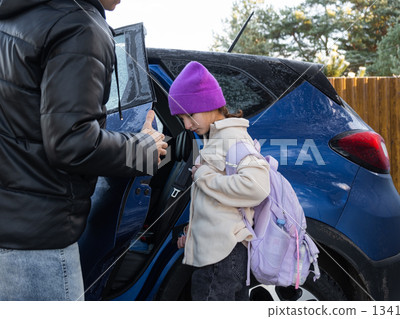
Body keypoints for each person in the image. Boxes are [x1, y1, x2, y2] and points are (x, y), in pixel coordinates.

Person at [0, 0, 167, 301]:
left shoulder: (14, 20)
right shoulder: (79, 25)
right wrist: (144, 148)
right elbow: (71, 144)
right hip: (39, 249)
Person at [170, 61, 270, 300]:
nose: (186, 125)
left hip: (223, 258)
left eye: (189, 115)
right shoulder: (216, 139)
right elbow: (217, 207)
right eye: (182, 118)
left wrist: (204, 177)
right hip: (219, 254)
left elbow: (257, 186)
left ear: (209, 104)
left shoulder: (232, 138)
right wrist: (192, 235)